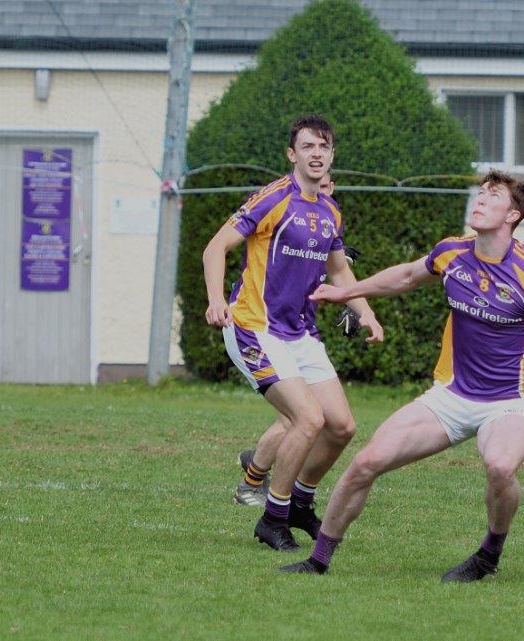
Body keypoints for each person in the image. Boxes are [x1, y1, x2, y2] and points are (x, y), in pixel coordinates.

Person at [282, 170, 524, 581]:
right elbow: (407, 276)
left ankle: (488, 554)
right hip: (450, 396)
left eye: (493, 196)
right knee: (365, 462)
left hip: (507, 402)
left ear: (513, 215)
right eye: (480, 192)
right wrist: (347, 292)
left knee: (501, 468)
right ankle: (318, 560)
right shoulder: (452, 252)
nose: (481, 200)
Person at [202, 115, 381, 551]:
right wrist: (214, 299)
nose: (316, 154)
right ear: (292, 154)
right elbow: (215, 247)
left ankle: (300, 502)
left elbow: (339, 268)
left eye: (323, 147)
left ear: (332, 155)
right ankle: (273, 516)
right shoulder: (274, 198)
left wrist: (366, 312)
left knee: (341, 426)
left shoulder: (330, 210)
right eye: (307, 147)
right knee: (307, 419)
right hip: (254, 327)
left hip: (300, 332)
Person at [232, 172, 376, 506]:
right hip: (267, 329)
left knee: (318, 421)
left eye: (326, 187)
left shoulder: (329, 223)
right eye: (316, 186)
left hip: (302, 332)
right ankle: (257, 486)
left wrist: (356, 309)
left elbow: (335, 273)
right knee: (300, 418)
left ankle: (271, 484)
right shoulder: (286, 214)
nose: (319, 193)